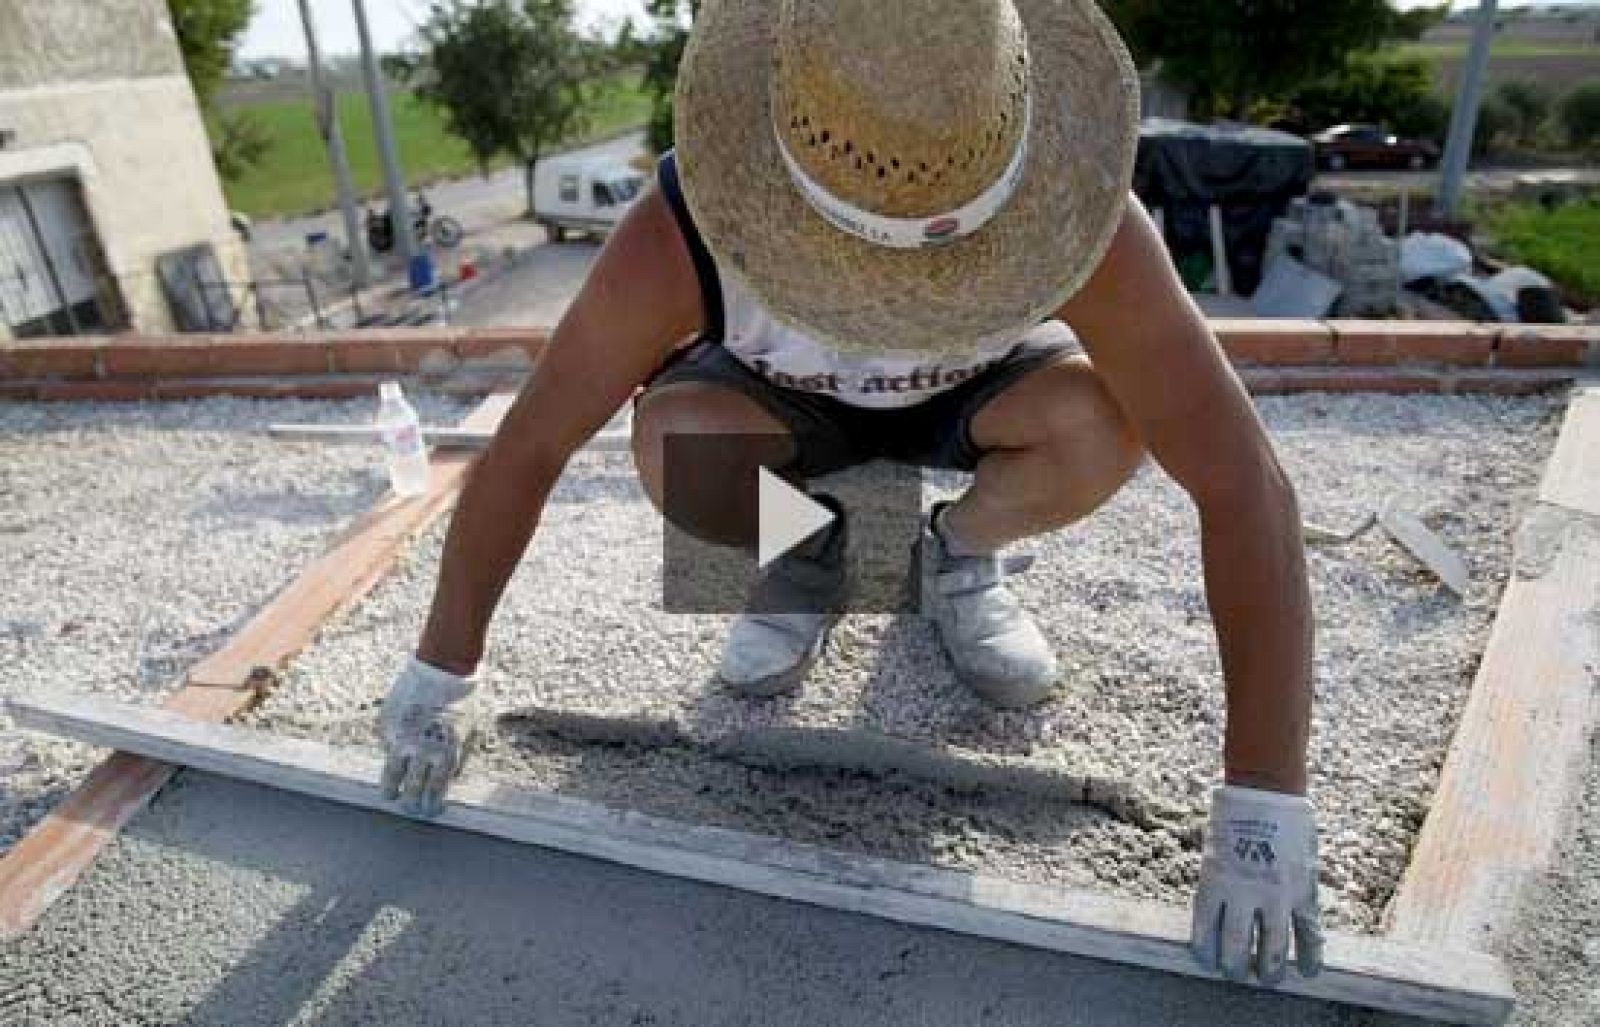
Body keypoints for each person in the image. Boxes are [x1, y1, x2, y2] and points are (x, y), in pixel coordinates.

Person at [378, 0, 1323, 989]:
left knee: (1099, 426)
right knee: (675, 439)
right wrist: (443, 668)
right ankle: (808, 556)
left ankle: (952, 553)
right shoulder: (683, 225)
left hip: (975, 401)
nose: (892, 299)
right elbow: (531, 442)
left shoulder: (1076, 202)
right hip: (790, 413)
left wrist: (1264, 799)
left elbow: (1240, 477)